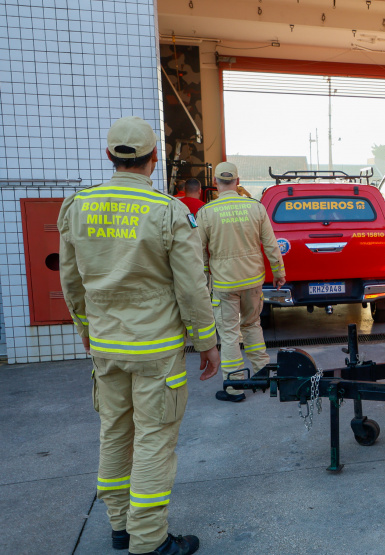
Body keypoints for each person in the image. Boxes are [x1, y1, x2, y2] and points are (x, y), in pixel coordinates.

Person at [58, 117, 219, 555]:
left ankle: (119, 525)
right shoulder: (168, 211)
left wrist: (87, 332)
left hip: (106, 348)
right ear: (154, 160)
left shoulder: (77, 207)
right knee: (153, 439)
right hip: (156, 350)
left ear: (109, 156)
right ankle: (148, 540)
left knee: (114, 432)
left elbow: (72, 284)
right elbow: (191, 287)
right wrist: (207, 342)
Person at [197, 162, 286, 402]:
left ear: (215, 183)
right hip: (253, 281)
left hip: (225, 285)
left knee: (228, 333)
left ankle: (234, 386)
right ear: (238, 181)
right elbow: (271, 244)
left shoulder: (206, 212)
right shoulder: (255, 208)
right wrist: (279, 273)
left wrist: (206, 275)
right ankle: (263, 375)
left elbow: (199, 251)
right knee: (252, 325)